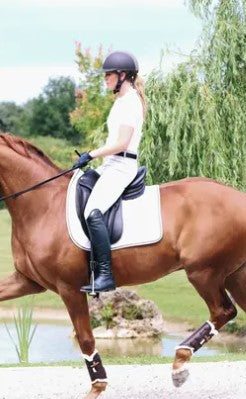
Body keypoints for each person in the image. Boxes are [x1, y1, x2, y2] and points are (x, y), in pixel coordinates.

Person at [74, 50, 147, 293]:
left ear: (123, 75)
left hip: (122, 166)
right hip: (111, 165)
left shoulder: (131, 101)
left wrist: (91, 154)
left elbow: (122, 143)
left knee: (93, 212)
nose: (105, 79)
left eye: (109, 75)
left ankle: (105, 275)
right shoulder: (121, 101)